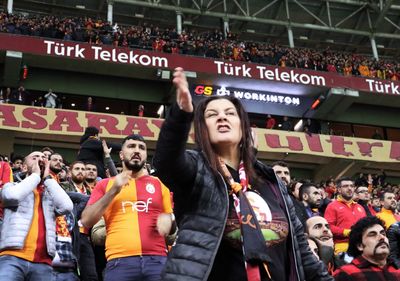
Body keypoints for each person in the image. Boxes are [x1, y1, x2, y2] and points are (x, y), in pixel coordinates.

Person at [153, 68, 332, 281]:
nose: (221, 117)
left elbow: (300, 251)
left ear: (243, 127)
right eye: (212, 115)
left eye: (230, 113)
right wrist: (181, 115)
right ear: (203, 129)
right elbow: (166, 162)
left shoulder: (272, 182)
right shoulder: (196, 168)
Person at [81, 134, 175, 281]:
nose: (137, 150)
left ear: (145, 155)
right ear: (121, 154)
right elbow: (86, 220)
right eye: (131, 146)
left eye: (141, 148)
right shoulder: (105, 184)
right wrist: (113, 191)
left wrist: (170, 223)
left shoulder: (159, 185)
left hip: (157, 262)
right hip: (119, 262)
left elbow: (171, 230)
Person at [0, 151, 73, 281]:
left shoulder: (50, 192)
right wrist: (35, 175)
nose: (40, 159)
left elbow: (67, 207)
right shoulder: (11, 186)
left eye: (43, 158)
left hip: (43, 263)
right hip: (12, 257)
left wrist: (47, 179)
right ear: (23, 167)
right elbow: (12, 196)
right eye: (35, 157)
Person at [333, 216, 400, 280]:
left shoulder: (396, 270)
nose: (382, 237)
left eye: (383, 233)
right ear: (360, 246)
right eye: (372, 235)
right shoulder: (345, 273)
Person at [324, 177, 366, 255]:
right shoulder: (332, 206)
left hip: (362, 247)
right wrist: (346, 232)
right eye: (346, 186)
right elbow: (328, 227)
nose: (349, 188)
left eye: (352, 186)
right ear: (339, 190)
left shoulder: (360, 207)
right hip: (342, 246)